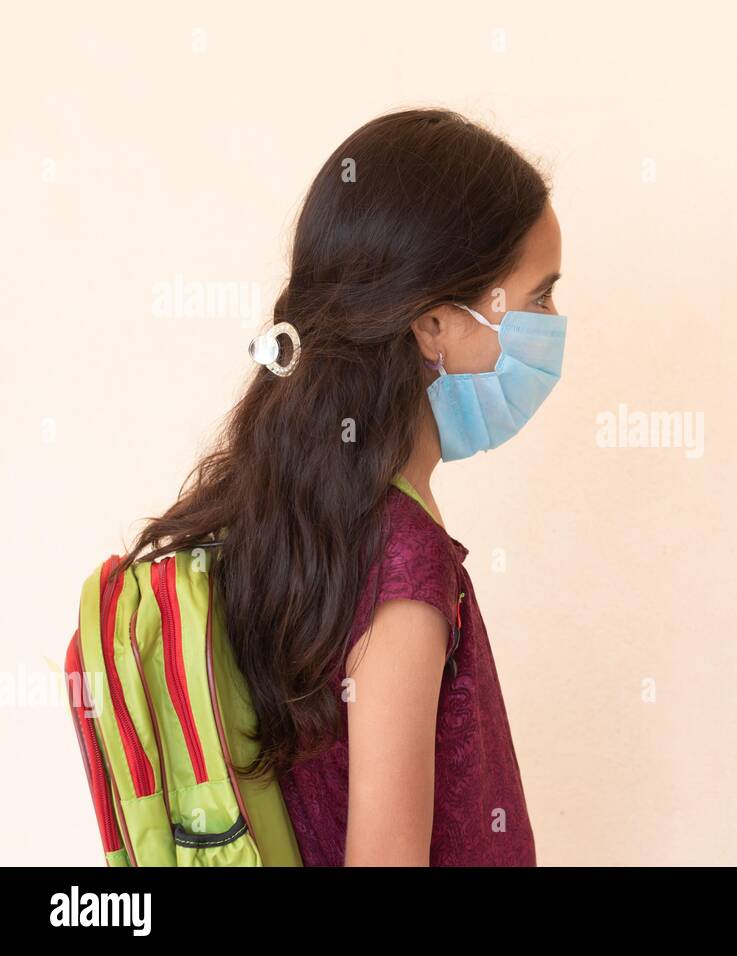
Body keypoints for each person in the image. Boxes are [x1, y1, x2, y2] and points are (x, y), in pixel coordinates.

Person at [110, 108, 565, 865]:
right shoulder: (403, 571)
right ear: (433, 327)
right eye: (540, 299)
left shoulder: (288, 510)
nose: (554, 325)